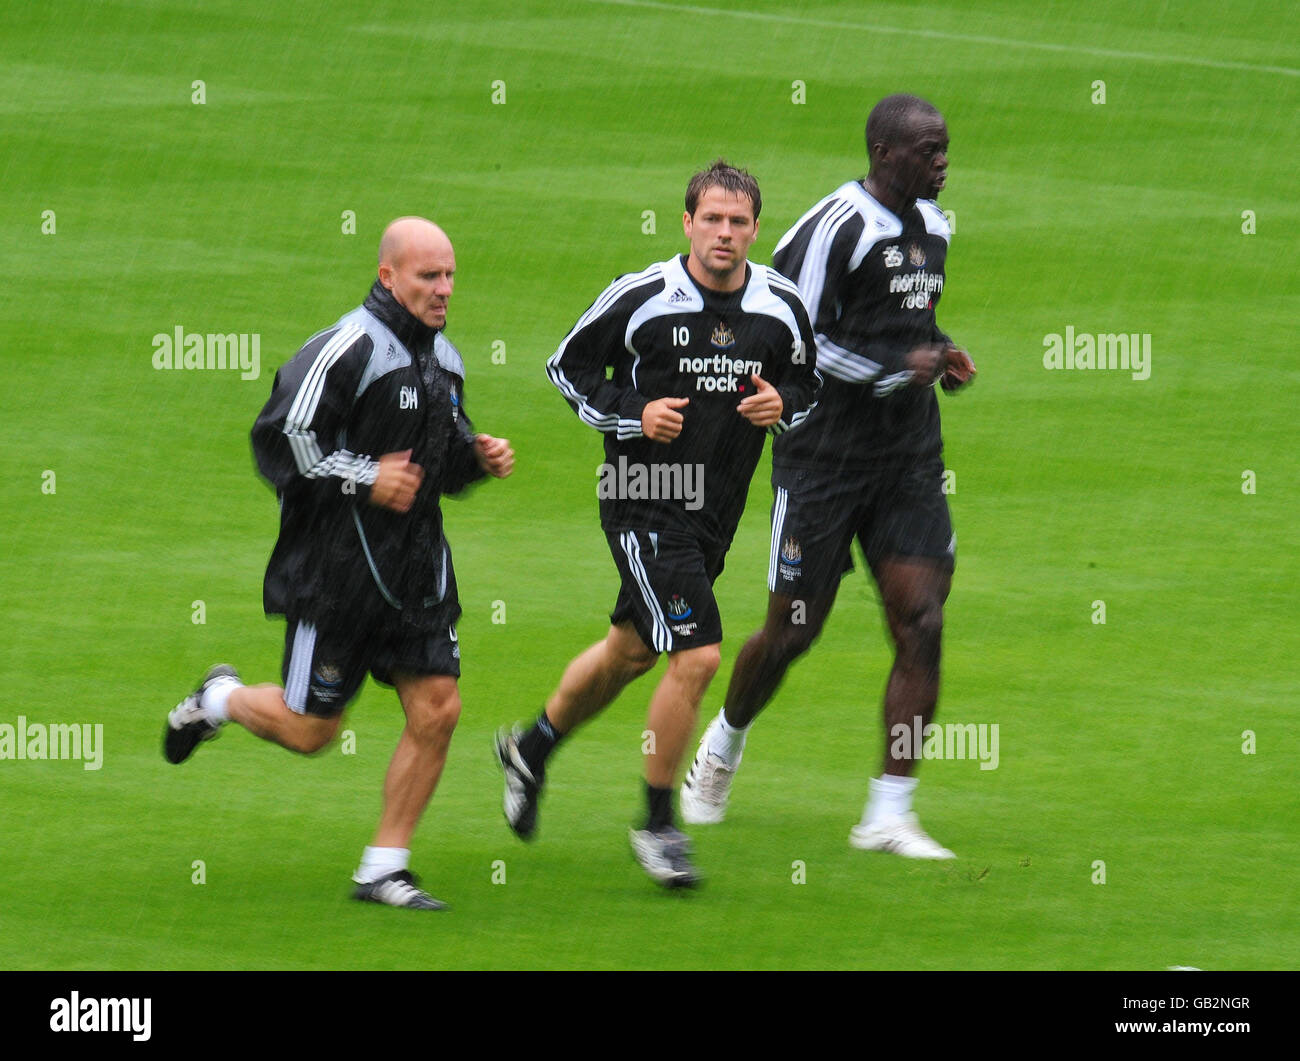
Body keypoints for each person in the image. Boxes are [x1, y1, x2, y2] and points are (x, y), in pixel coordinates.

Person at [162, 217, 513, 909]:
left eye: (449, 276)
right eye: (427, 276)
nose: (443, 289)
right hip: (337, 574)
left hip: (417, 574)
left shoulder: (447, 361)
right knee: (311, 730)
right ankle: (220, 698)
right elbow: (279, 441)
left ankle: (383, 866)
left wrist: (475, 458)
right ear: (388, 275)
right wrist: (363, 476)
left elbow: (433, 464)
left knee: (438, 708)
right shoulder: (346, 348)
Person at [495, 161, 819, 888]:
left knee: (631, 650)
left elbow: (808, 381)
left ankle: (531, 749)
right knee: (698, 654)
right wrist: (631, 413)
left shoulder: (782, 305)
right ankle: (658, 822)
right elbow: (567, 367)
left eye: (738, 222)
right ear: (687, 223)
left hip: (716, 510)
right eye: (712, 219)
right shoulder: (645, 297)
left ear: (756, 229)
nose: (725, 234)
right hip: (643, 491)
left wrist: (784, 407)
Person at [679, 95, 976, 859]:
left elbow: (908, 324)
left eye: (945, 149)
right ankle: (723, 743)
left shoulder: (936, 226)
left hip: (908, 458)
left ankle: (889, 811)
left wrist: (939, 353)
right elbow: (787, 344)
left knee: (923, 621)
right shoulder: (831, 228)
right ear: (883, 152)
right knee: (793, 631)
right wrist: (890, 370)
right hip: (822, 459)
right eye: (929, 150)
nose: (943, 161)